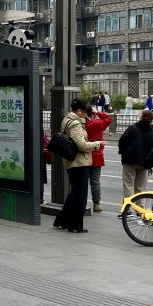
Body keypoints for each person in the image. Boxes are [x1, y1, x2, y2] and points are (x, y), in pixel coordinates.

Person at [53, 98, 104, 233]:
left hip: (72, 162)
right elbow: (81, 145)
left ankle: (61, 220)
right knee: (80, 195)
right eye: (86, 112)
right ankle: (75, 225)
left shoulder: (67, 120)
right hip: (79, 163)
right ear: (79, 111)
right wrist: (97, 144)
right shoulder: (75, 124)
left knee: (74, 193)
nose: (87, 115)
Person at [118, 110, 153, 200]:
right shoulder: (152, 132)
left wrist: (123, 153)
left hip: (130, 160)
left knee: (128, 185)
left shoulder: (133, 128)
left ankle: (128, 209)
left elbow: (122, 141)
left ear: (141, 117)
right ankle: (140, 210)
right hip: (144, 163)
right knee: (141, 188)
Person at [84, 106, 112, 213]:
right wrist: (99, 112)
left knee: (83, 181)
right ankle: (96, 204)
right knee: (95, 181)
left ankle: (82, 202)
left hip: (84, 154)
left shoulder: (82, 124)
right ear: (92, 113)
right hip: (97, 155)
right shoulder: (96, 123)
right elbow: (109, 119)